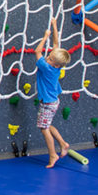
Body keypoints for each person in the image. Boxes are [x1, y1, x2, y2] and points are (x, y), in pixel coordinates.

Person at [34, 17, 71, 168]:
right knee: (47, 125)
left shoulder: (47, 68)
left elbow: (37, 51)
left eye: (49, 58)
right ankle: (63, 144)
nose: (46, 58)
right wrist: (55, 25)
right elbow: (56, 44)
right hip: (52, 101)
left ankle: (53, 154)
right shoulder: (56, 67)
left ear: (54, 63)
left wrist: (45, 37)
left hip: (48, 103)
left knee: (44, 129)